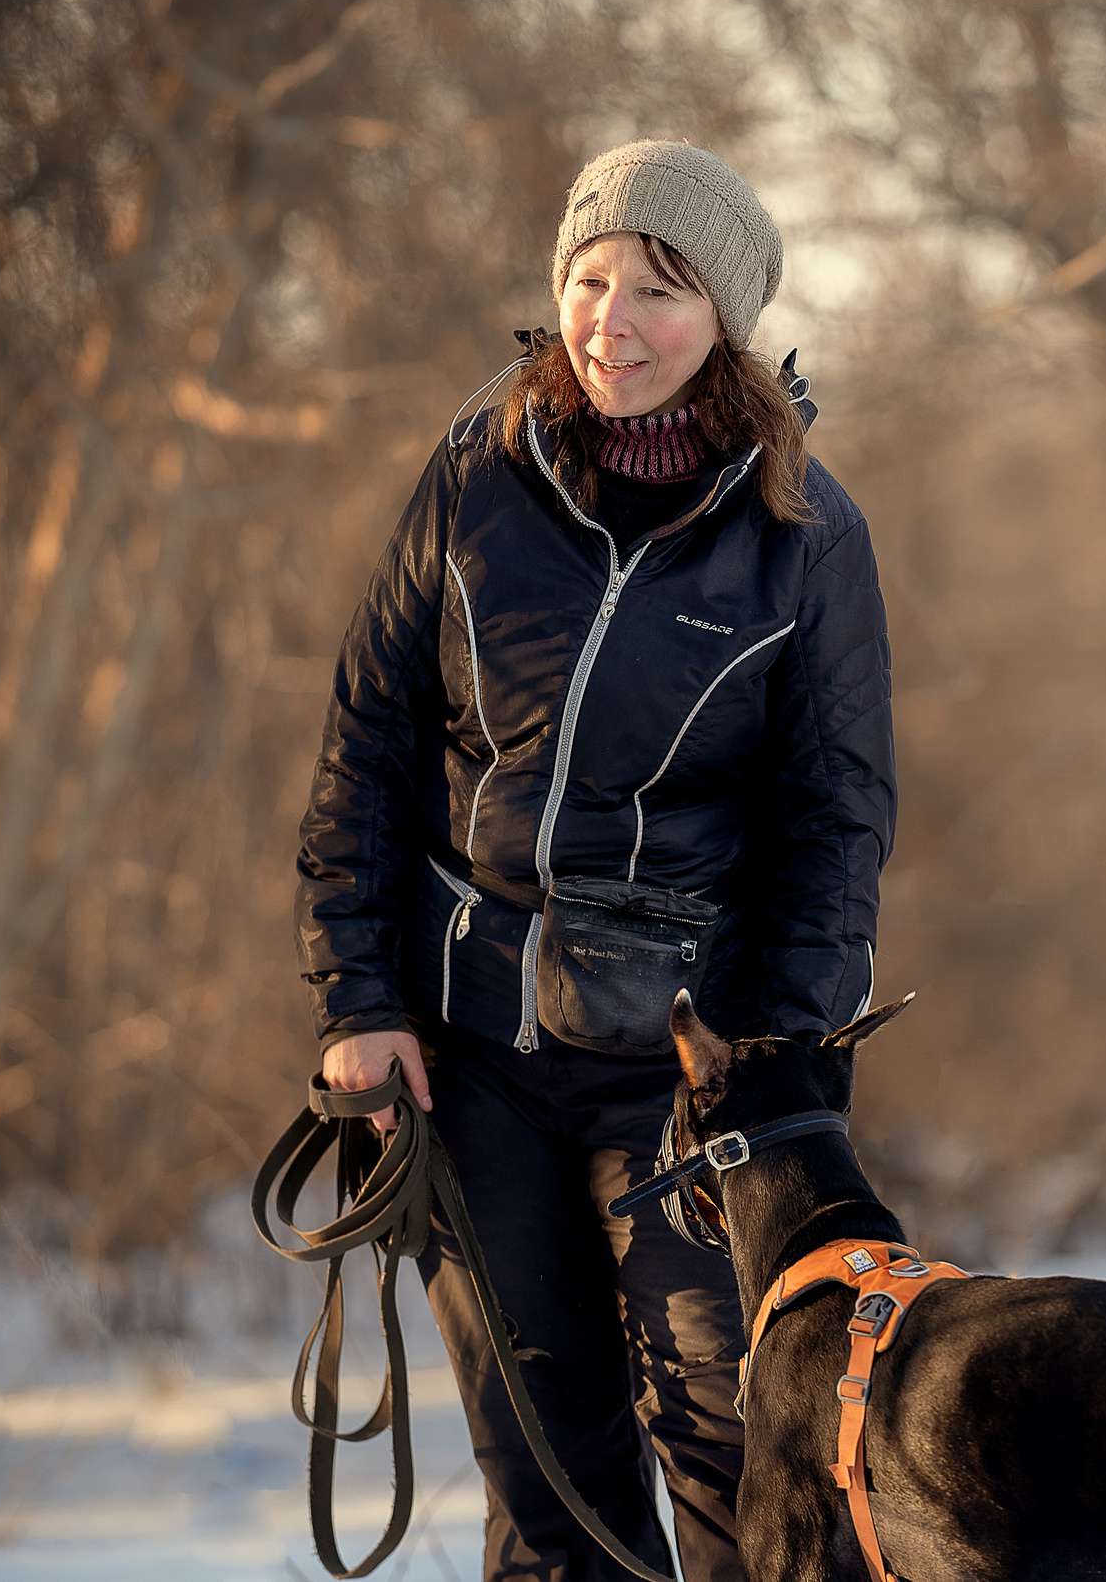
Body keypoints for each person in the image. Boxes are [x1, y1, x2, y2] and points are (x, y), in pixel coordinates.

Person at [295, 139, 898, 1582]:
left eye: (660, 291)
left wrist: (775, 1068)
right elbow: (368, 744)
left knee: (738, 1469)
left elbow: (837, 828)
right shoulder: (473, 472)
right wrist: (359, 1004)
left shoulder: (804, 537)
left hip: (688, 1082)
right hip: (472, 1057)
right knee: (549, 1483)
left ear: (727, 322)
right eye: (588, 280)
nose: (610, 323)